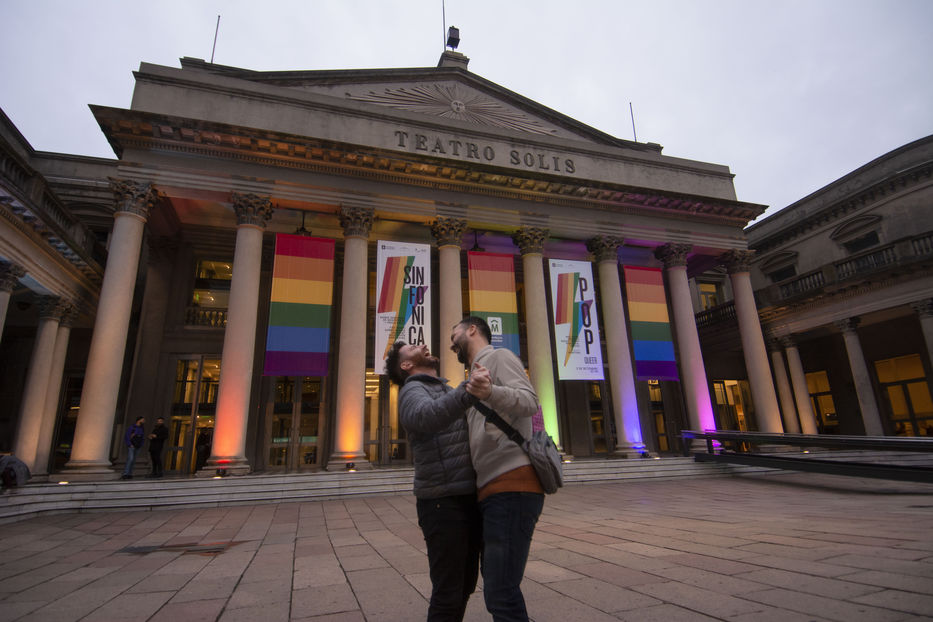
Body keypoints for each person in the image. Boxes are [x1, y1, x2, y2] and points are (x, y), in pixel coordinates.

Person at [385, 340, 488, 622]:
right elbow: (424, 417)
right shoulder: (412, 390)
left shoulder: (440, 388)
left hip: (465, 496)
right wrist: (467, 390)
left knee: (465, 584)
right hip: (442, 502)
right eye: (411, 348)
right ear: (406, 365)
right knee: (448, 590)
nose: (422, 344)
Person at [450, 316, 544, 622]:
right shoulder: (472, 376)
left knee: (500, 592)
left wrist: (491, 392)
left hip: (512, 486)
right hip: (492, 491)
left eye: (455, 335)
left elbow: (530, 402)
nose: (452, 344)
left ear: (473, 330)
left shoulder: (500, 357)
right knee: (499, 588)